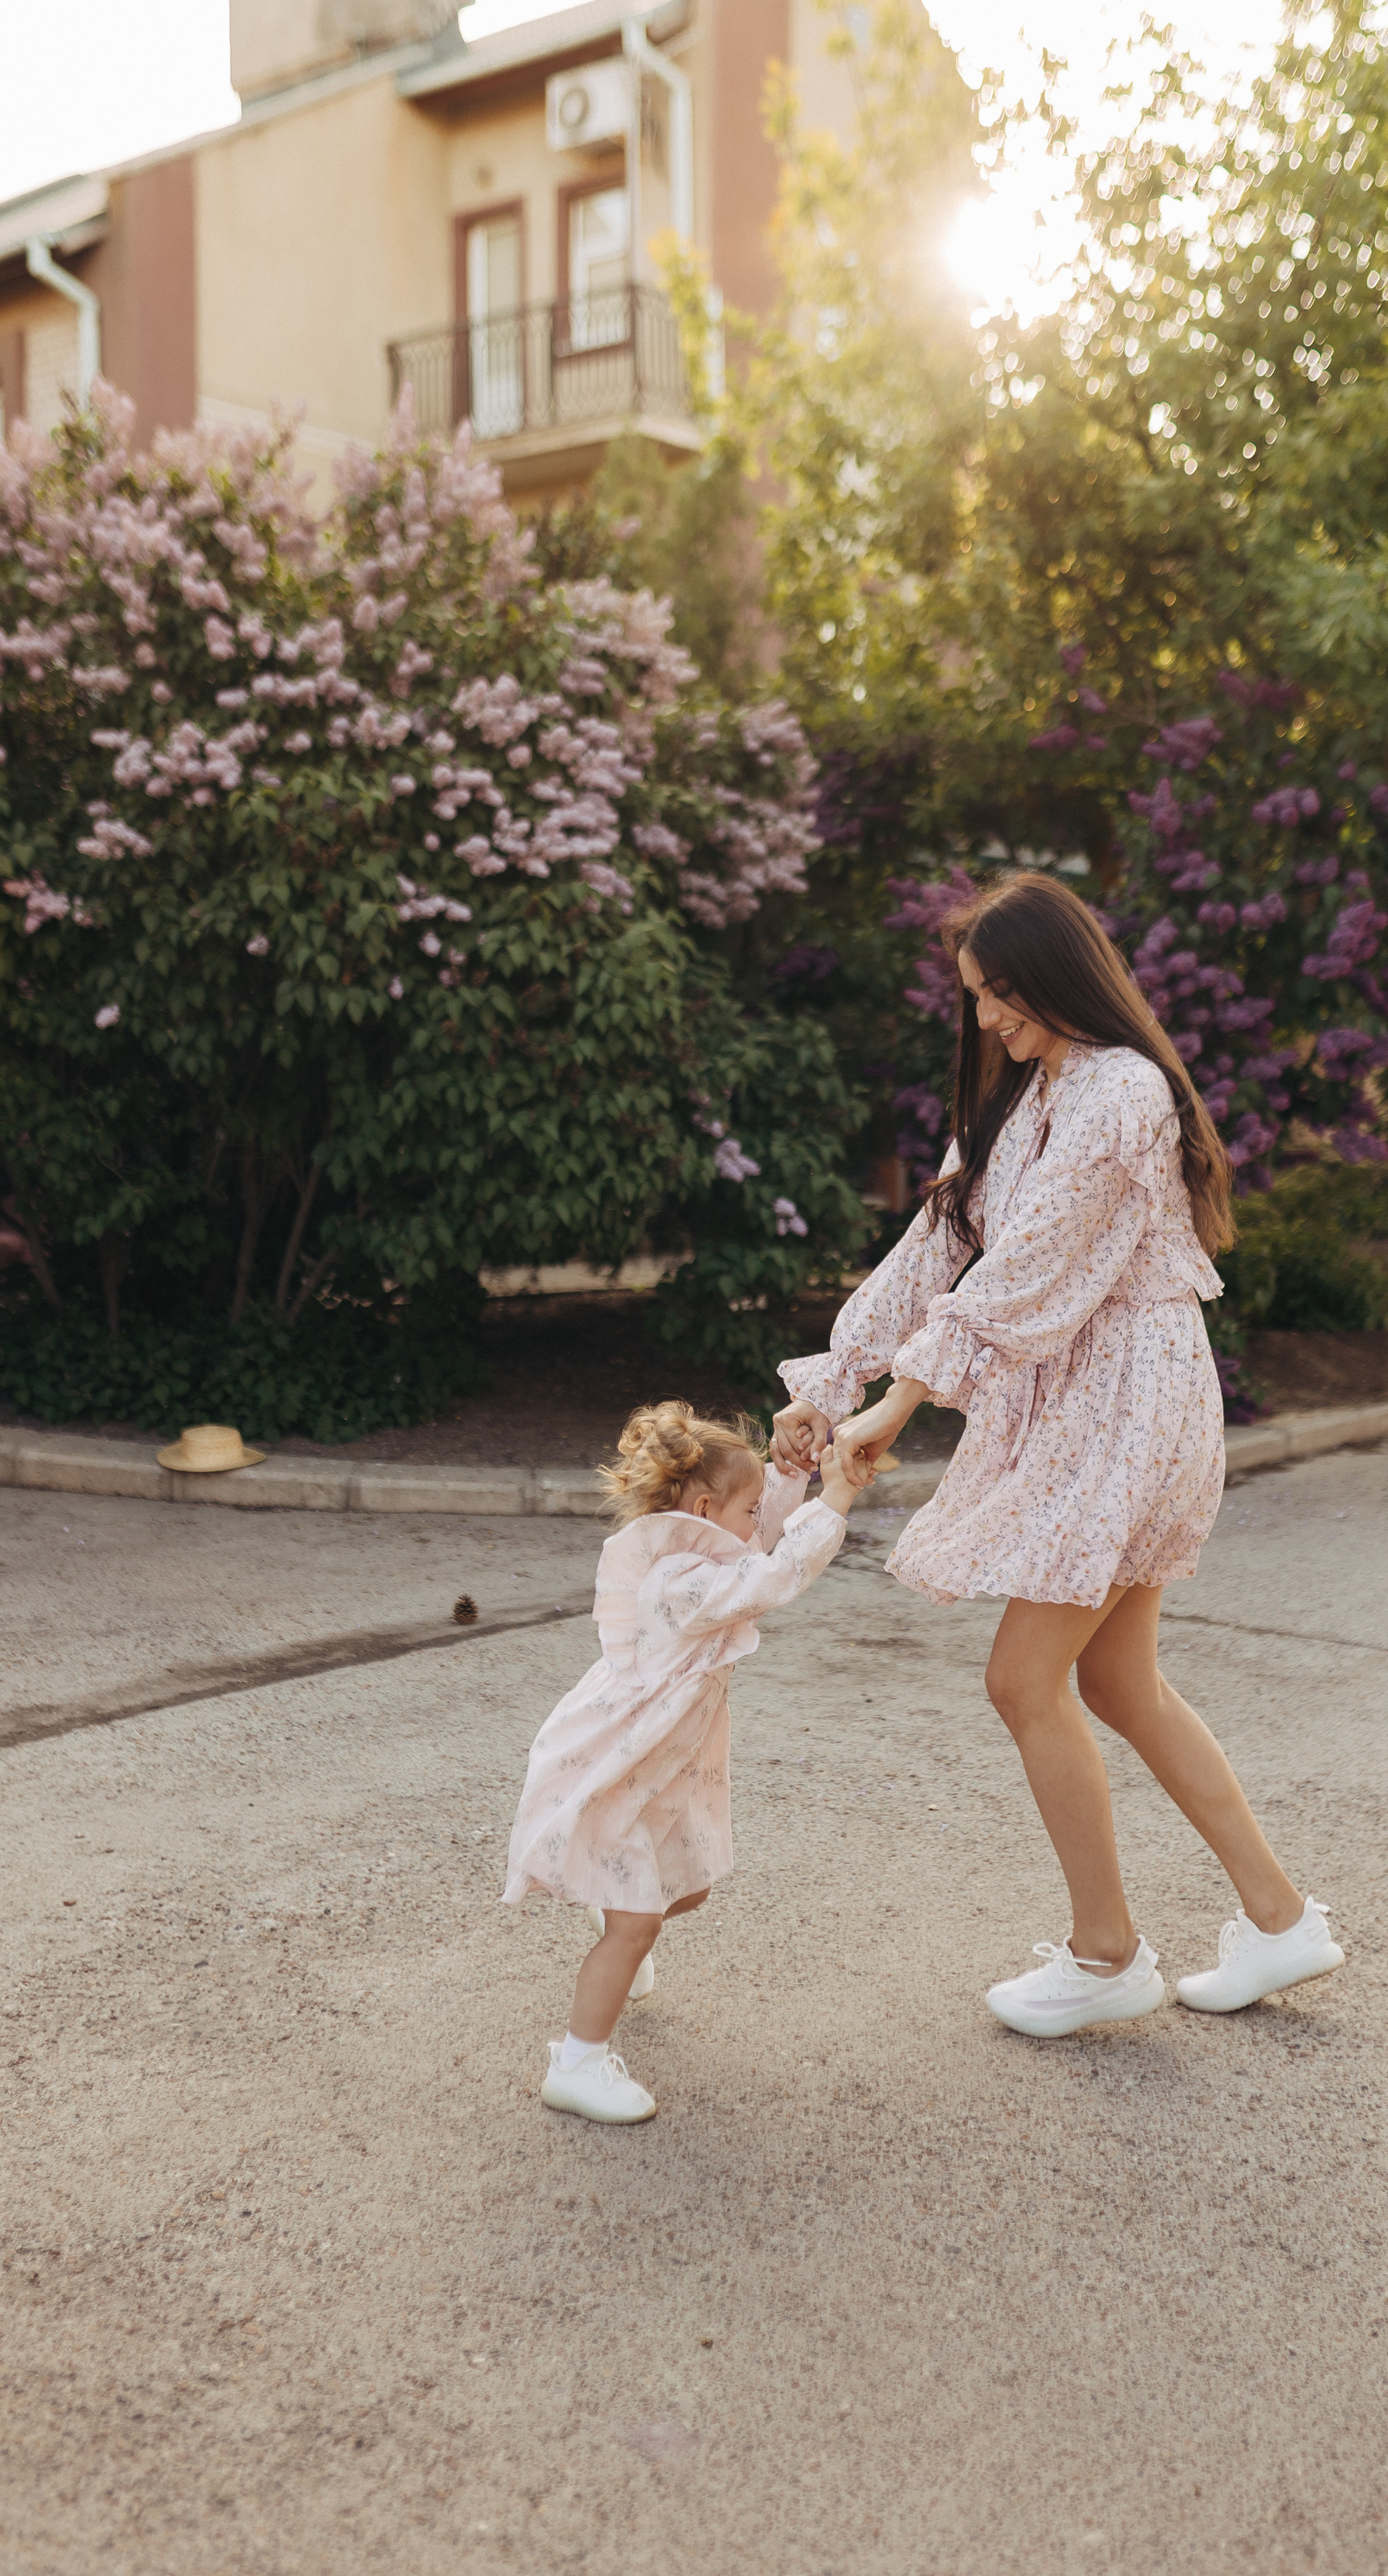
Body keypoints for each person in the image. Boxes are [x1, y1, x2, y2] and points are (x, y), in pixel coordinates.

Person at [774, 870, 1344, 2033]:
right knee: (1117, 1680)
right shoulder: (1025, 1099)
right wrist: (835, 1383)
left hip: (1127, 1404)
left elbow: (1025, 1266)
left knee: (1023, 1679)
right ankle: (1282, 1924)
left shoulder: (1122, 1093)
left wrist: (898, 1411)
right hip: (1100, 1402)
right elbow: (937, 1245)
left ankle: (1105, 1959)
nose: (984, 1019)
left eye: (998, 994)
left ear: (1055, 975)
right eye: (975, 999)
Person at [503, 1401, 870, 2123]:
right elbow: (773, 1573)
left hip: (659, 1772)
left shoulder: (707, 1554)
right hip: (616, 1772)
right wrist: (838, 1496)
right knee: (638, 1921)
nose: (757, 1520)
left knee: (689, 1889)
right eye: (749, 1507)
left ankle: (622, 1920)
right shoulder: (682, 1582)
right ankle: (578, 2061)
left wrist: (790, 1475)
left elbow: (760, 1541)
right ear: (705, 1510)